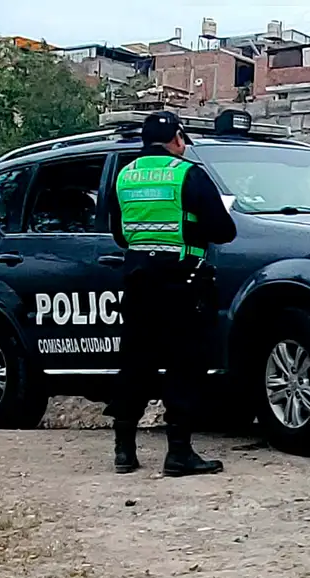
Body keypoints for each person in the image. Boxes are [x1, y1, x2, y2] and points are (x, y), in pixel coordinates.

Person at [104, 111, 237, 477]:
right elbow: (224, 230)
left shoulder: (125, 176)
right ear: (178, 138)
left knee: (135, 363)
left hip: (138, 281)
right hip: (183, 282)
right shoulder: (188, 174)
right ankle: (178, 453)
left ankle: (124, 451)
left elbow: (119, 233)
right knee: (184, 364)